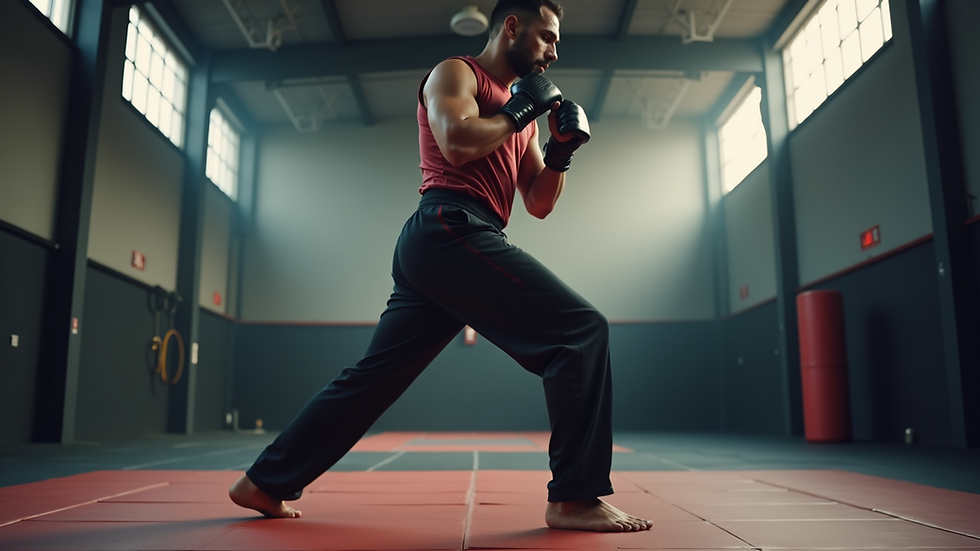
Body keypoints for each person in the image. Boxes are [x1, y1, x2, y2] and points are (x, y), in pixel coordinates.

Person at [229, 0, 653, 533]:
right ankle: (574, 497)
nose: (554, 51)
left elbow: (539, 202)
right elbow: (455, 142)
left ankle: (264, 482)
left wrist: (562, 151)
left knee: (373, 379)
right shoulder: (459, 73)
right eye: (546, 37)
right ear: (512, 27)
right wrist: (519, 114)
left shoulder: (516, 113)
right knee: (581, 330)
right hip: (450, 226)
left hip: (451, 245)